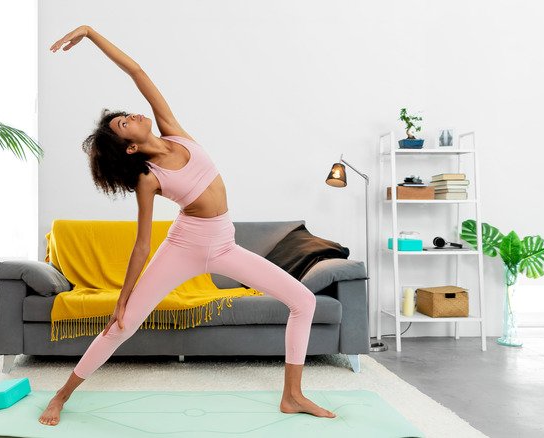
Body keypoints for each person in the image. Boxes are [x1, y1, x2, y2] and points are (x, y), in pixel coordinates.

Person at [39, 25, 336, 426]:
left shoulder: (175, 133)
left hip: (224, 245)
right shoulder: (148, 178)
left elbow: (138, 72)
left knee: (304, 301)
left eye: (125, 115)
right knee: (122, 325)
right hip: (183, 247)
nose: (130, 116)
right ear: (129, 147)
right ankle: (60, 396)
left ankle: (293, 395)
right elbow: (142, 245)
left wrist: (91, 34)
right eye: (123, 124)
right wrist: (123, 298)